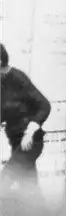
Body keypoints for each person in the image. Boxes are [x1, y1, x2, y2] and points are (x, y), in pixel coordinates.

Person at [0, 43, 51, 189]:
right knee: (28, 186)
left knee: (5, 181)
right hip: (15, 139)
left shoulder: (17, 78)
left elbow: (44, 105)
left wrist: (30, 132)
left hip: (30, 140)